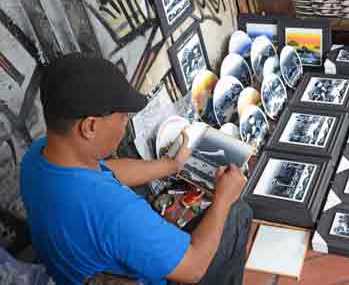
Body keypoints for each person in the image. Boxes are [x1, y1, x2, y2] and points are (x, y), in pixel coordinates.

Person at [20, 53, 252, 285]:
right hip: (162, 272)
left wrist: (170, 165)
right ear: (90, 126)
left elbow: (107, 170)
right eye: (123, 118)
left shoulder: (39, 157)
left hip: (74, 270)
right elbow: (193, 268)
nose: (123, 127)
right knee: (237, 212)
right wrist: (223, 199)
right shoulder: (115, 213)